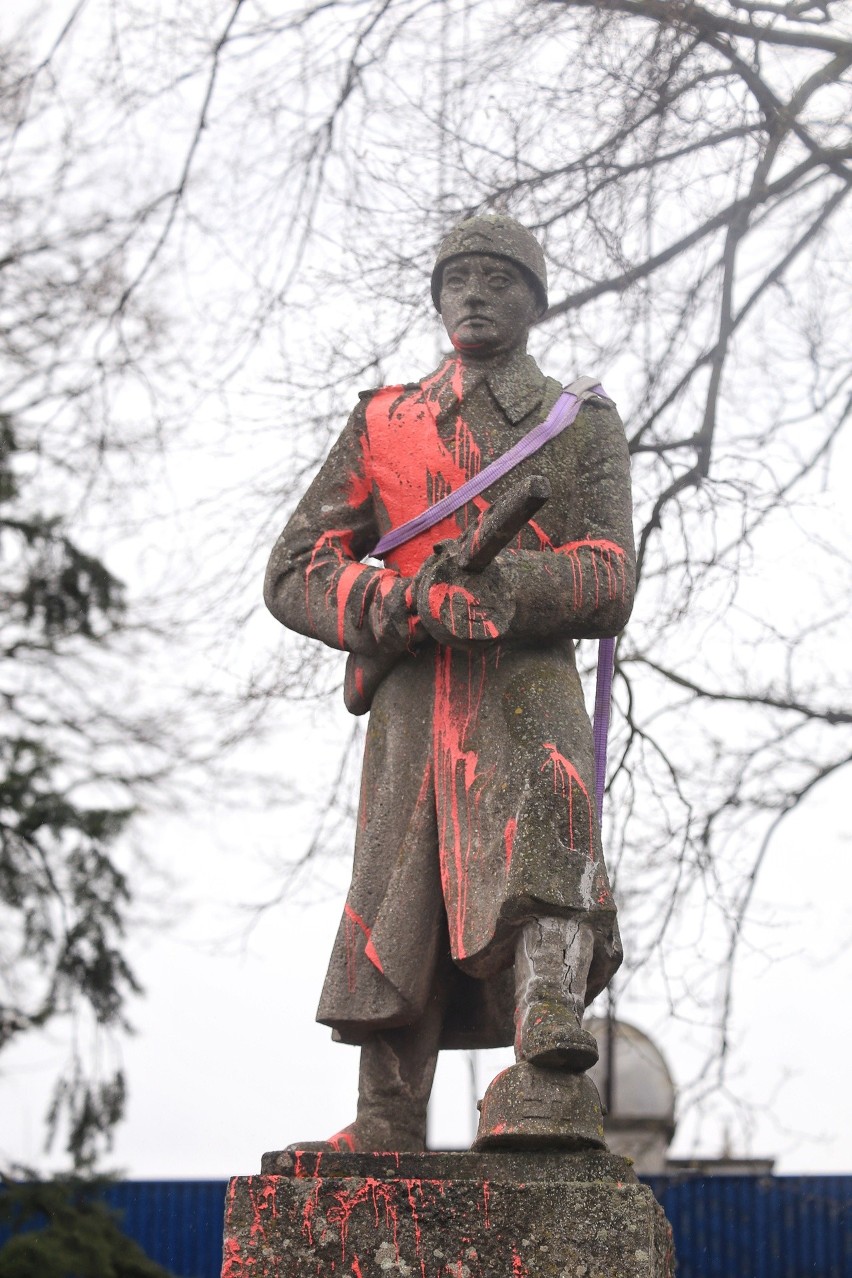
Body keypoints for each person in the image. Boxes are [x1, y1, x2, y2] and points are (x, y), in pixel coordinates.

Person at [263, 215, 635, 1152]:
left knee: (545, 853)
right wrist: (393, 605)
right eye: (459, 277)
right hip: (413, 703)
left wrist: (508, 589)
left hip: (525, 687)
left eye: (499, 279)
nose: (475, 293)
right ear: (436, 298)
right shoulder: (383, 420)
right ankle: (386, 1116)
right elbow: (295, 568)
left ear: (535, 300)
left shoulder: (578, 419)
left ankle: (547, 1072)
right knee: (400, 892)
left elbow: (610, 574)